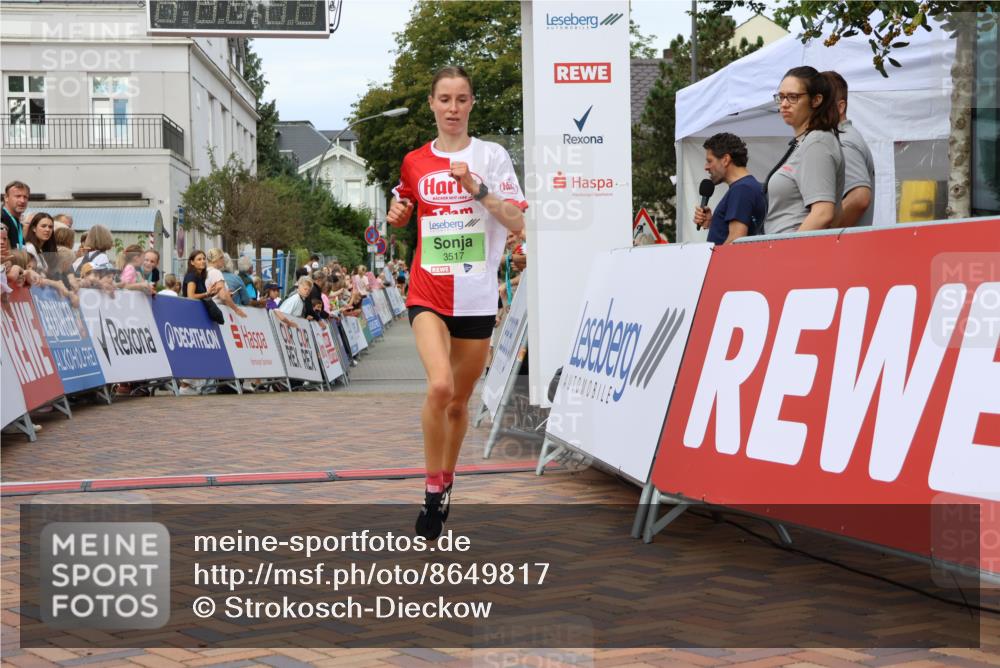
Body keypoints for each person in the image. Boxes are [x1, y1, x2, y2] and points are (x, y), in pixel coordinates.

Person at [387, 65, 527, 538]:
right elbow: (402, 207)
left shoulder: (492, 156)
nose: (452, 108)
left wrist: (477, 190)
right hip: (427, 290)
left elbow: (516, 222)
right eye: (444, 99)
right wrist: (396, 214)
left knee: (459, 403)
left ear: (471, 104)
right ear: (431, 103)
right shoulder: (414, 161)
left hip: (477, 297)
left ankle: (447, 480)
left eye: (461, 99)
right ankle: (430, 488)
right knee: (440, 386)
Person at [764, 66, 845, 234]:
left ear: (816, 100)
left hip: (795, 246)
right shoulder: (808, 140)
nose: (784, 104)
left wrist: (789, 246)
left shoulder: (817, 142)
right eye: (781, 97)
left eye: (793, 97)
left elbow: (823, 213)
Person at [822, 70, 875, 228]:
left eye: (820, 103)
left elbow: (859, 198)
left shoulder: (842, 142)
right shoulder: (842, 138)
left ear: (840, 107)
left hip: (842, 242)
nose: (813, 110)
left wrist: (821, 233)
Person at [693, 133, 767, 244]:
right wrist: (714, 223)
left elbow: (735, 240)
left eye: (709, 161)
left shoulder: (742, 189)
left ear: (725, 160)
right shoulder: (750, 186)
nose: (706, 167)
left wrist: (713, 257)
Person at [2, 181, 30, 249]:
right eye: (18, 196)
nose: (22, 201)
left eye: (25, 197)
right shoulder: (2, 218)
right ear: (6, 198)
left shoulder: (18, 223)